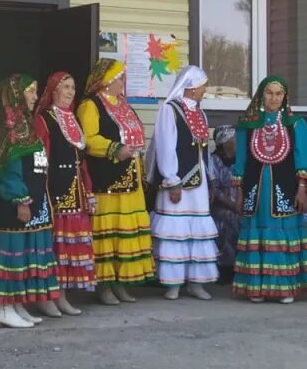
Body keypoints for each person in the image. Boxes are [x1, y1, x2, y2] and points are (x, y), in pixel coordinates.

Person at [0, 74, 60, 328]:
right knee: (12, 255)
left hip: (33, 202)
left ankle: (16, 304)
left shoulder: (26, 123)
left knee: (25, 255)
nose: (35, 97)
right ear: (15, 95)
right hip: (16, 206)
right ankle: (3, 307)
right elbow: (11, 167)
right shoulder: (11, 127)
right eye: (30, 92)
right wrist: (20, 199)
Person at [77, 59, 154, 305]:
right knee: (106, 234)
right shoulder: (90, 105)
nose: (123, 81)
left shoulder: (123, 104)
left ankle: (121, 283)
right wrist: (114, 148)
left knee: (124, 233)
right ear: (107, 81)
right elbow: (88, 139)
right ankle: (104, 285)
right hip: (107, 181)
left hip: (130, 180)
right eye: (119, 77)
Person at [231, 76, 307, 304]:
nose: (274, 98)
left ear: (285, 96)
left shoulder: (295, 123)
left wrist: (302, 188)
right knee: (256, 231)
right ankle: (256, 287)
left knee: (281, 230)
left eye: (279, 94)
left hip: (285, 188)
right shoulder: (248, 123)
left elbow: (302, 156)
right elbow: (241, 161)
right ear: (261, 95)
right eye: (269, 93)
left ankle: (284, 288)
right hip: (254, 189)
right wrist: (238, 192)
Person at [144, 65, 219, 301]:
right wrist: (171, 180)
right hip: (176, 182)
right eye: (203, 85)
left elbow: (203, 152)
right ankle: (173, 284)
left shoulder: (200, 113)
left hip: (198, 185)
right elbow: (167, 145)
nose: (205, 90)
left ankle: (196, 283)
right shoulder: (170, 110)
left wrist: (210, 179)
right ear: (192, 87)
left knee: (197, 233)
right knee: (175, 233)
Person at [34, 71, 96, 315]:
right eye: (65, 87)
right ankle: (46, 297)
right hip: (55, 193)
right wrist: (41, 192)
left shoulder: (72, 119)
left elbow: (82, 162)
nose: (71, 92)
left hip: (75, 192)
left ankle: (62, 295)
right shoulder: (44, 119)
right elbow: (41, 158)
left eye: (73, 87)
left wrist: (88, 190)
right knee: (53, 249)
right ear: (54, 90)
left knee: (67, 250)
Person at [209, 125, 241, 279]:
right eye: (234, 139)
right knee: (230, 218)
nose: (237, 141)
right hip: (220, 205)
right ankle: (227, 266)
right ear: (225, 142)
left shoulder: (240, 160)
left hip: (239, 203)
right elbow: (215, 190)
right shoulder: (213, 160)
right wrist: (233, 205)